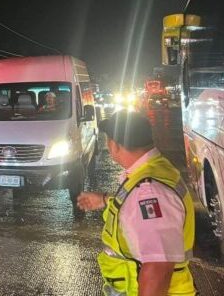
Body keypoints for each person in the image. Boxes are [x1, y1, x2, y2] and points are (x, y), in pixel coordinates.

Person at [77, 110, 195, 296]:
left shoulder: (149, 192)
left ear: (115, 145)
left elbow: (158, 268)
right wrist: (105, 199)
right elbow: (138, 210)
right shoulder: (154, 169)